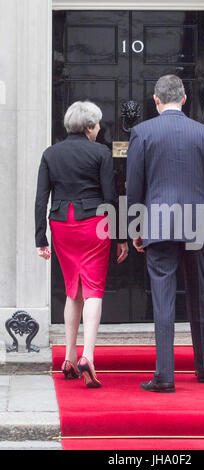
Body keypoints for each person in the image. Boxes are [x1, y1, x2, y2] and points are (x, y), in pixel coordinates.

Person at [126, 75, 204, 393]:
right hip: (197, 223)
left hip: (158, 223)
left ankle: (165, 375)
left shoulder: (142, 132)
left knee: (163, 299)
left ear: (156, 100)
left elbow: (135, 185)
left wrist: (134, 228)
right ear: (183, 99)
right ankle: (203, 369)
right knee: (198, 295)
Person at [35, 101, 128, 388]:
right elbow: (110, 197)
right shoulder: (101, 152)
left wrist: (41, 238)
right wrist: (121, 235)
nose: (100, 128)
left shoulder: (51, 153)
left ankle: (69, 357)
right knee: (94, 290)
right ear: (89, 126)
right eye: (97, 124)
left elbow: (41, 199)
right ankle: (88, 355)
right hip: (94, 224)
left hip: (62, 225)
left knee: (72, 290)